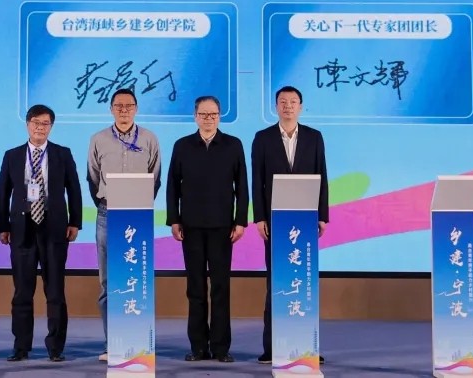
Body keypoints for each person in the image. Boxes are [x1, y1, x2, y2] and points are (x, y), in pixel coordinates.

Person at [0, 104, 82, 362]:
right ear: (27, 124)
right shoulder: (12, 155)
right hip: (21, 230)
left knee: (55, 292)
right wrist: (2, 226)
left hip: (54, 230)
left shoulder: (62, 154)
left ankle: (55, 347)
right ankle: (21, 346)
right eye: (35, 122)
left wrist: (75, 222)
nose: (40, 127)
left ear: (51, 127)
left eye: (45, 123)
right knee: (22, 292)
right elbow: (2, 193)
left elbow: (74, 189)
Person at [166, 95, 248, 363]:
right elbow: (172, 185)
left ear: (219, 116)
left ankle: (221, 347)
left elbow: (242, 186)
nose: (208, 119)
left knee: (221, 287)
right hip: (190, 227)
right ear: (195, 116)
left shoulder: (233, 145)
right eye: (203, 114)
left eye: (213, 114)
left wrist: (240, 221)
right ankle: (198, 347)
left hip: (223, 227)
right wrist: (174, 219)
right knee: (196, 288)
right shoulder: (182, 145)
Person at [251, 85, 329, 365]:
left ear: (301, 106)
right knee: (277, 282)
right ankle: (272, 348)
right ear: (276, 107)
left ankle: (307, 346)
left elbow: (322, 176)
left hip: (305, 219)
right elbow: (257, 181)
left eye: (293, 102)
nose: (288, 106)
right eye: (282, 102)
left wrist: (322, 215)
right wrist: (259, 217)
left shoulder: (314, 137)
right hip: (275, 221)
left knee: (304, 282)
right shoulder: (262, 138)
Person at [86, 88, 161, 361]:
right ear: (111, 109)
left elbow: (155, 177)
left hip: (138, 216)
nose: (124, 110)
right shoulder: (98, 139)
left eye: (129, 106)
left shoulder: (150, 138)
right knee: (108, 282)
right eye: (119, 106)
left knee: (137, 279)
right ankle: (113, 343)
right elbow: (93, 178)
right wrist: (108, 203)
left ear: (136, 109)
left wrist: (138, 204)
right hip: (108, 214)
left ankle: (139, 342)